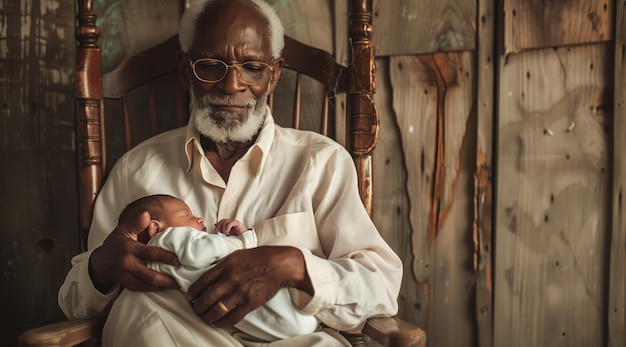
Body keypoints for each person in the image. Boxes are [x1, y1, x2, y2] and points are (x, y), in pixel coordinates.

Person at [58, 0, 403, 345]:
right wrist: (102, 266)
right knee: (135, 306)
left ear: (274, 74)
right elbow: (75, 301)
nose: (231, 84)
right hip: (180, 335)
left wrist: (295, 265)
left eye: (253, 67)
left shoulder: (321, 162)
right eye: (210, 65)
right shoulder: (136, 169)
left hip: (291, 341)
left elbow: (381, 285)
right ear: (184, 69)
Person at [104, 194, 319, 345]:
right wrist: (247, 240)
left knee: (293, 319)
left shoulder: (153, 260)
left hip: (228, 308)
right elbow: (200, 252)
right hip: (233, 305)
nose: (199, 219)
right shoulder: (167, 239)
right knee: (298, 315)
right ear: (154, 228)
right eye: (186, 215)